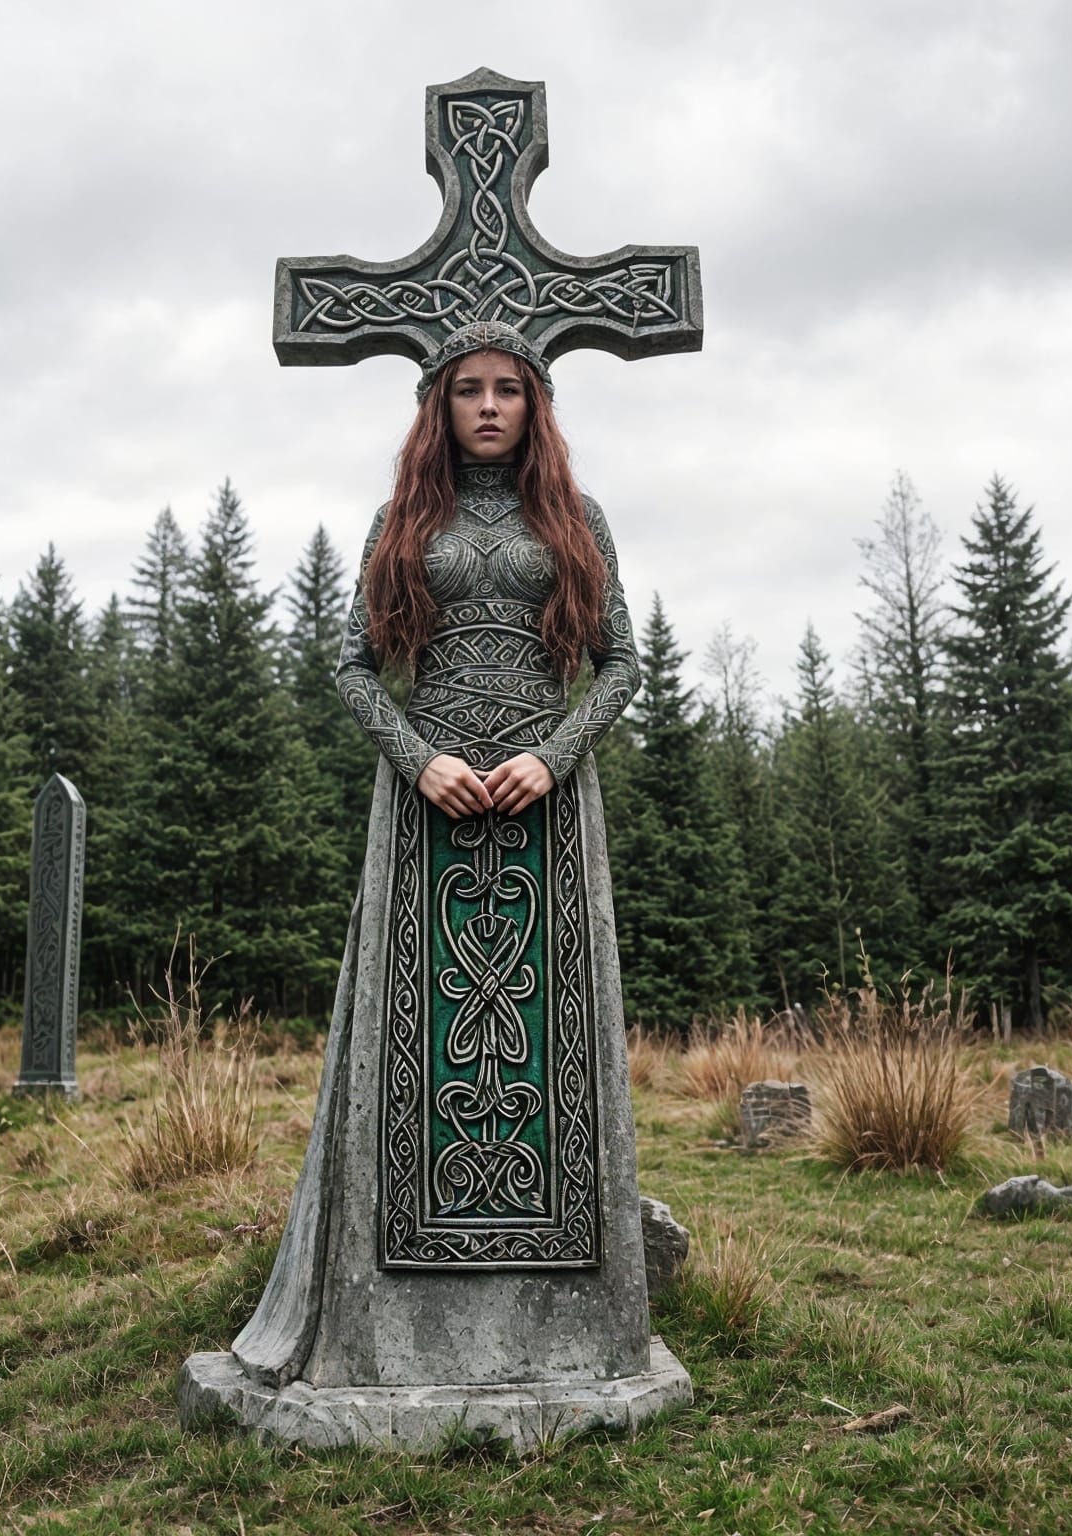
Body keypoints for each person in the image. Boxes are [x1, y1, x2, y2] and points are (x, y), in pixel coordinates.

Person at [230, 319, 651, 1392]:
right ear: (442, 406)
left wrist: (553, 758)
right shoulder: (404, 518)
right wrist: (420, 762)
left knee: (546, 1031)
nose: (492, 406)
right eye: (471, 389)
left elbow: (621, 665)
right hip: (426, 810)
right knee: (423, 1032)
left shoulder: (577, 519)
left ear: (534, 405)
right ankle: (407, 1286)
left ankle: (562, 1287)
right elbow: (353, 667)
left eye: (511, 388)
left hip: (547, 809)